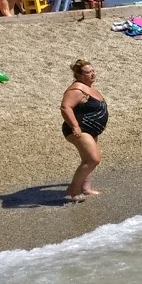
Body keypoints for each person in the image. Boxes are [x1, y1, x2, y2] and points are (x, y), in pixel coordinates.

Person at [60, 59, 108, 200]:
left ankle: (86, 188)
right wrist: (75, 126)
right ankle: (73, 190)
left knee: (87, 160)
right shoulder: (76, 89)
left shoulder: (90, 88)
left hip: (91, 129)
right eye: (88, 72)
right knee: (93, 159)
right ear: (79, 75)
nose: (93, 74)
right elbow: (65, 107)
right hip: (80, 129)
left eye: (93, 71)